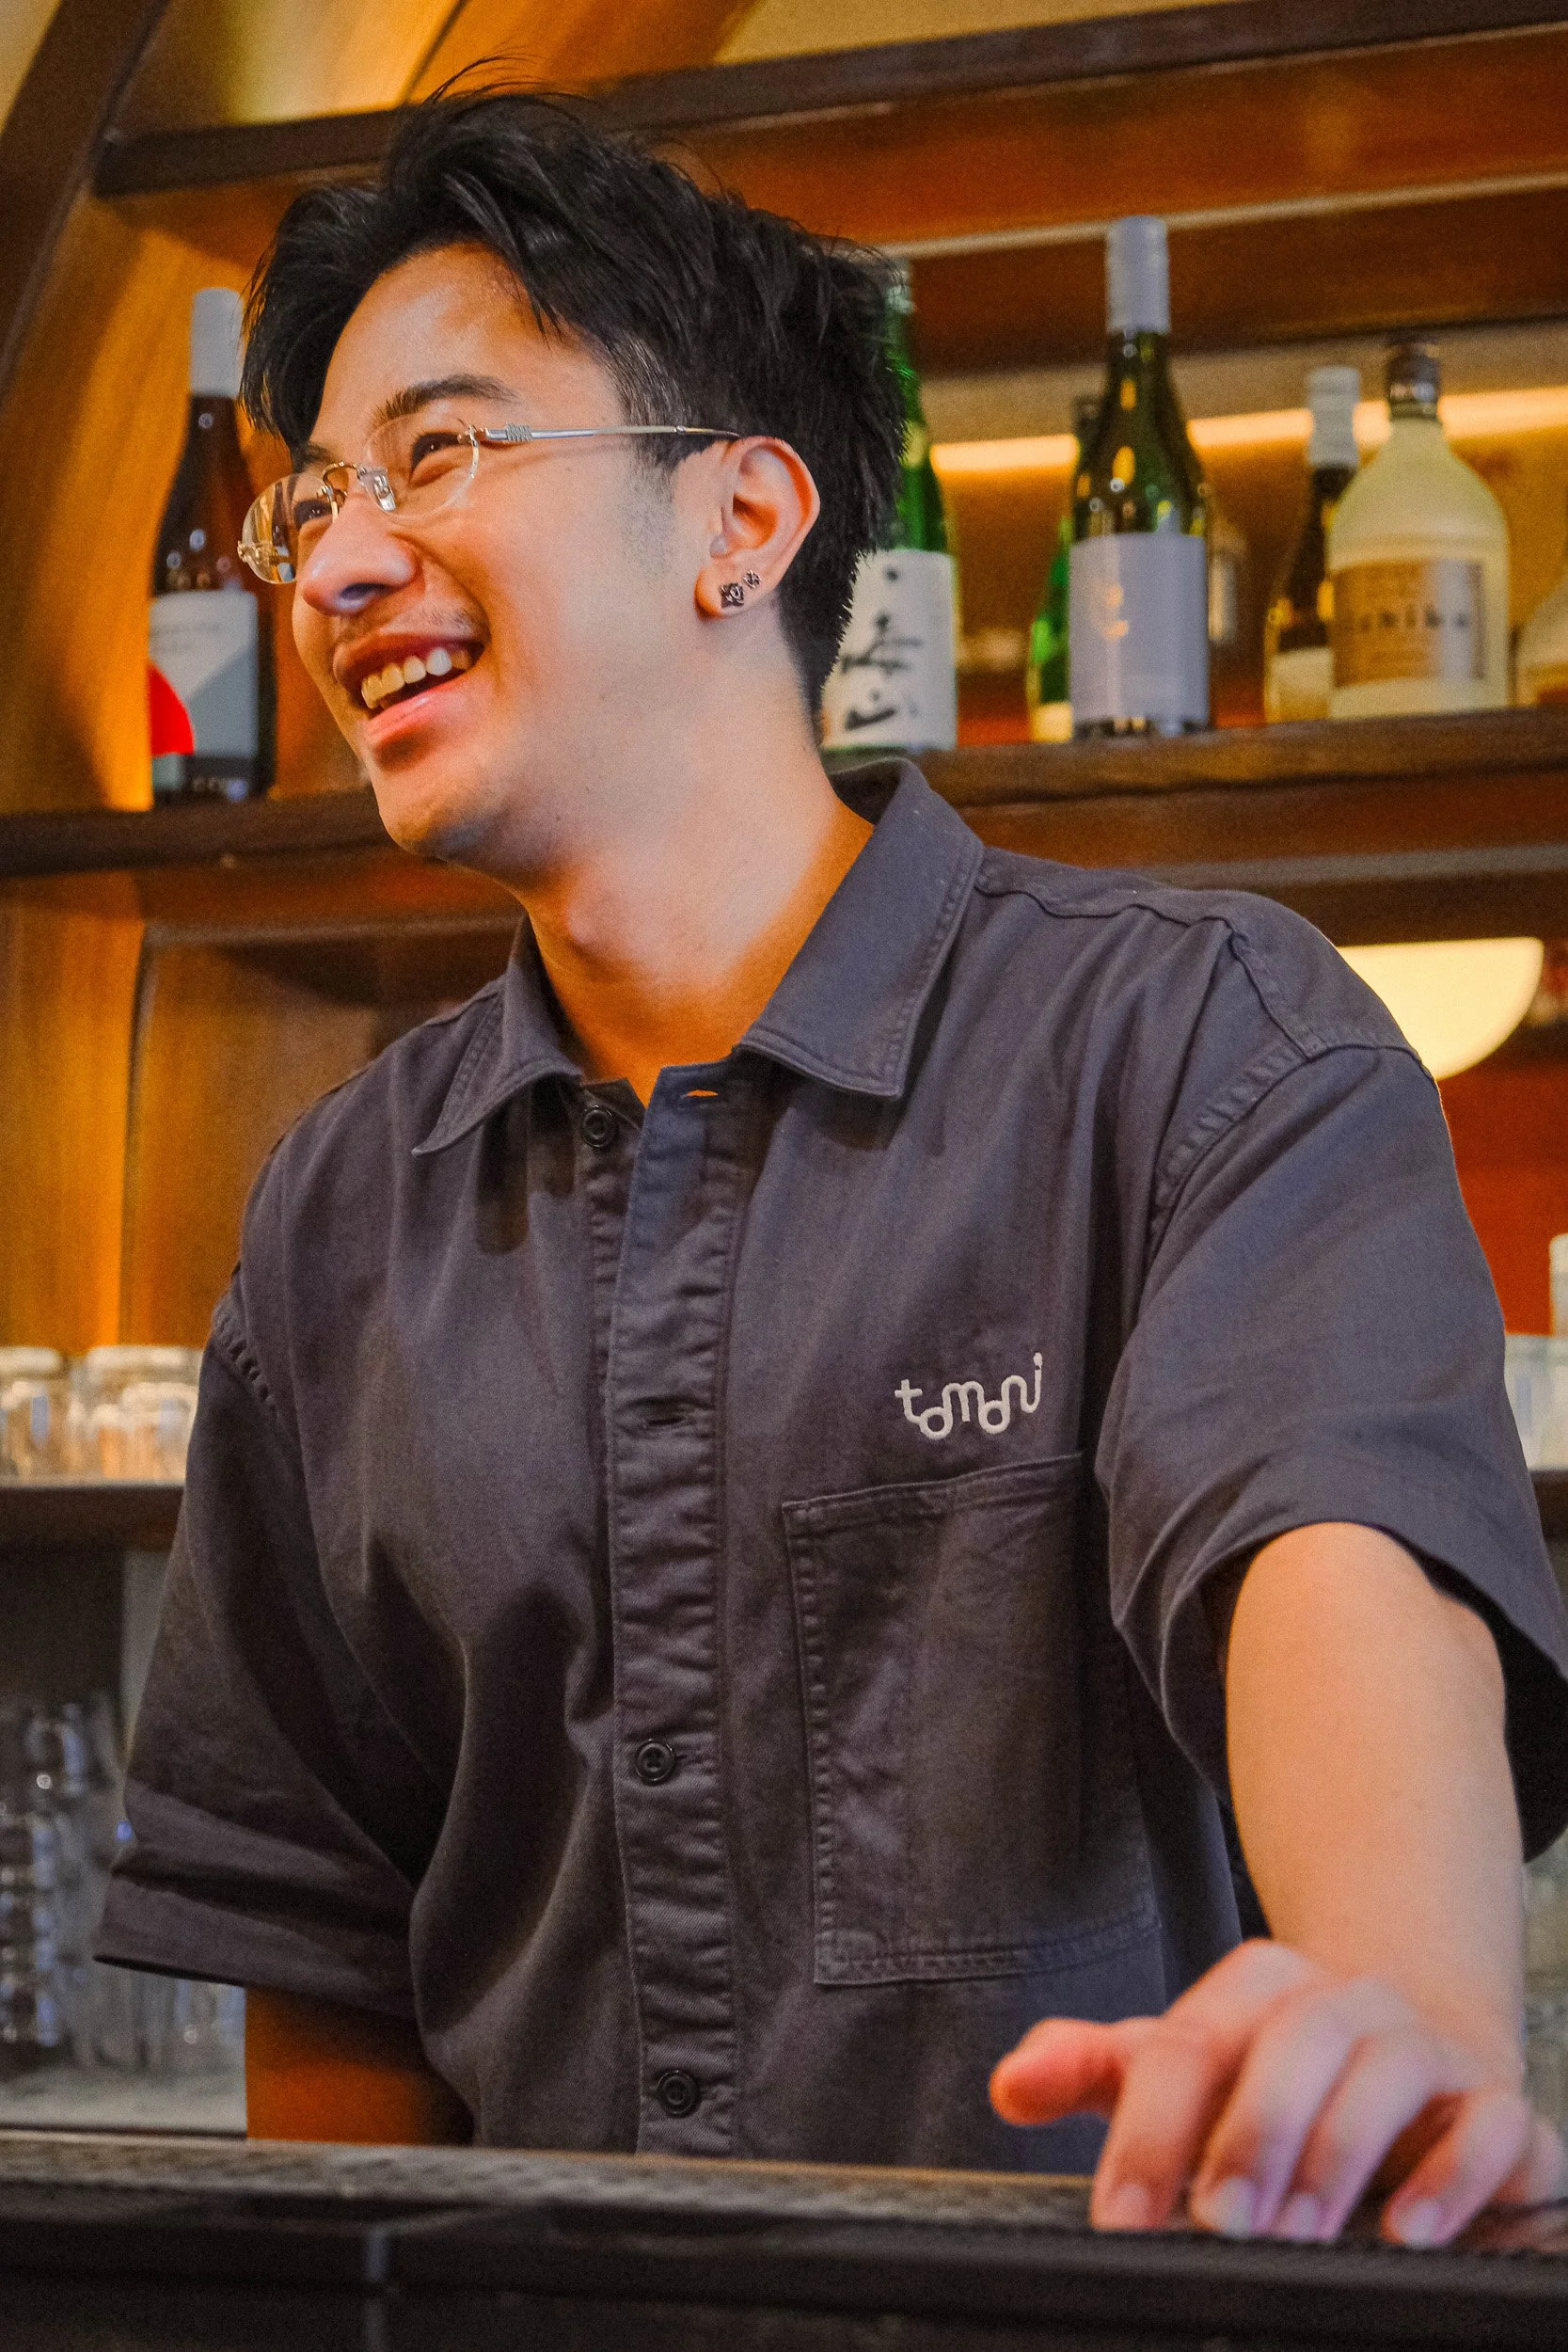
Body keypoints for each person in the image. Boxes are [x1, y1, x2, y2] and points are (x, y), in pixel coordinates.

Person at [100, 90, 1568, 2247]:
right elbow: (324, 1945)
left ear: (744, 517)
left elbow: (1327, 1548)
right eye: (313, 498)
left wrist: (1398, 2017)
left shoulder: (1186, 1045)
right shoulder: (341, 1209)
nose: (334, 561)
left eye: (437, 452)